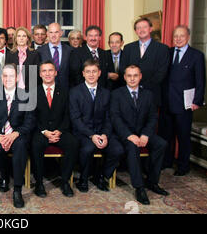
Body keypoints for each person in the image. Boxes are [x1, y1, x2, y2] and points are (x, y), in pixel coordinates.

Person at [110, 65, 169, 205]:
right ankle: (139, 187)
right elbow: (115, 118)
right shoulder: (116, 94)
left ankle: (152, 182)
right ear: (124, 77)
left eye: (135, 75)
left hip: (143, 132)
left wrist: (146, 134)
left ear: (140, 76)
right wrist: (129, 135)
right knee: (132, 147)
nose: (132, 78)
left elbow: (153, 117)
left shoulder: (148, 95)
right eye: (129, 75)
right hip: (125, 135)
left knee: (161, 144)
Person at [69, 60, 123, 192]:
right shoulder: (75, 92)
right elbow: (75, 119)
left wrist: (105, 134)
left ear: (99, 73)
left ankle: (101, 176)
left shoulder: (106, 93)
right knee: (88, 149)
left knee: (118, 150)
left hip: (103, 131)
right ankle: (83, 178)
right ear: (83, 74)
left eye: (94, 71)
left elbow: (109, 118)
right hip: (83, 133)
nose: (91, 75)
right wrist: (91, 135)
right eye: (88, 72)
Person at [0, 64, 35, 208]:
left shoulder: (25, 95)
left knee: (20, 147)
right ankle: (4, 176)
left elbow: (30, 120)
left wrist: (15, 134)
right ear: (1, 78)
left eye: (11, 76)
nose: (8, 79)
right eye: (5, 76)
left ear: (17, 78)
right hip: (0, 134)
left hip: (18, 134)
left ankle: (18, 190)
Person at [160, 25, 206, 176]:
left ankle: (183, 166)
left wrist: (197, 101)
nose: (178, 39)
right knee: (166, 135)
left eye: (181, 36)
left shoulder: (196, 55)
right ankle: (166, 162)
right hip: (166, 101)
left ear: (188, 37)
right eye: (175, 36)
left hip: (184, 104)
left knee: (183, 136)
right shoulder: (168, 52)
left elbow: (200, 81)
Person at [31, 61, 79, 198]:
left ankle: (65, 182)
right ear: (40, 74)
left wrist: (60, 130)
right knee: (35, 144)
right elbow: (32, 117)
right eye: (44, 71)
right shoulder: (33, 92)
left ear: (56, 73)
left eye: (50, 70)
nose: (47, 73)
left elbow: (68, 114)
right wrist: (44, 131)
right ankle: (39, 183)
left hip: (60, 130)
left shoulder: (65, 91)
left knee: (73, 144)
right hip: (41, 131)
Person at [119, 18, 170, 107]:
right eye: (138, 28)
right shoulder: (128, 48)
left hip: (152, 94)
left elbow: (162, 72)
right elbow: (123, 68)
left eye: (144, 27)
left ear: (150, 29)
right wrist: (133, 86)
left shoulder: (162, 49)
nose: (141, 30)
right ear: (135, 31)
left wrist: (142, 87)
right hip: (130, 94)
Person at [37, 23, 73, 91]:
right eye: (51, 32)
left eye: (56, 32)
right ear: (47, 33)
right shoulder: (39, 51)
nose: (53, 35)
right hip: (46, 91)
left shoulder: (70, 51)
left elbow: (73, 74)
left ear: (61, 33)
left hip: (66, 91)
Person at [5, 27, 40, 91]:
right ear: (15, 39)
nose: (21, 38)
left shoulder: (34, 54)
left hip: (30, 91)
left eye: (24, 36)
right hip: (13, 91)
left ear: (27, 39)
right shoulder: (10, 54)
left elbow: (37, 75)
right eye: (19, 36)